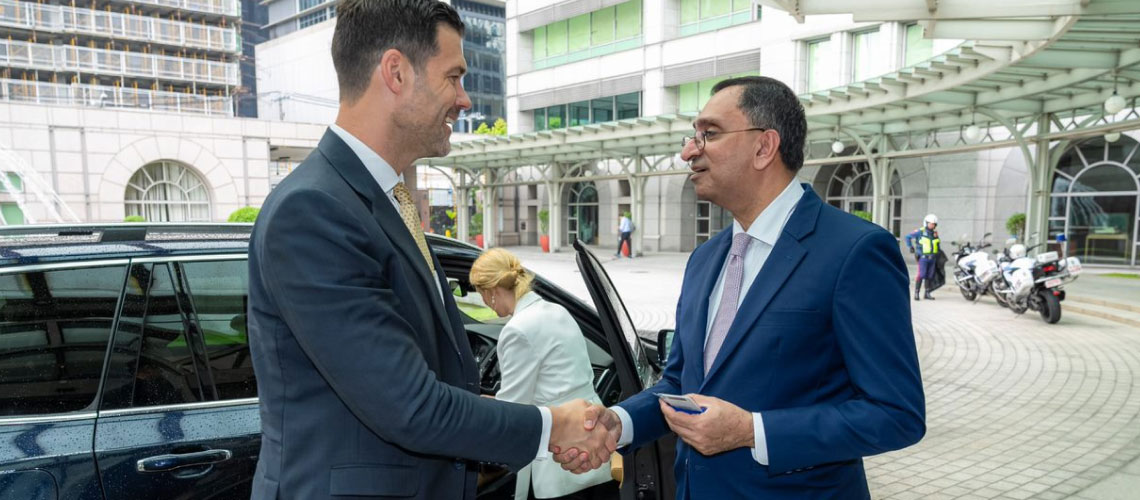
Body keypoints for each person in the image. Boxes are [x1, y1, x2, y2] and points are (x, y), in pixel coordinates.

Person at [246, 2, 613, 499]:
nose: (464, 100)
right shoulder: (314, 211)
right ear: (396, 72)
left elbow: (429, 372)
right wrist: (552, 427)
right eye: (454, 77)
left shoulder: (380, 200)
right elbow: (409, 406)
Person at [556, 76, 925, 499]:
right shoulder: (705, 258)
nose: (688, 151)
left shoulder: (855, 251)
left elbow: (896, 415)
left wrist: (752, 432)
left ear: (764, 147)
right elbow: (680, 383)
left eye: (708, 134)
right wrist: (619, 422)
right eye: (692, 136)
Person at [469, 248, 614, 500]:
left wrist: (474, 406)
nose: (483, 302)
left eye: (481, 294)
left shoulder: (518, 330)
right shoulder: (556, 311)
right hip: (595, 445)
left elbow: (513, 411)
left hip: (558, 462)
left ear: (491, 291)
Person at [905, 214, 942, 300]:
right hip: (923, 257)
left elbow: (937, 244)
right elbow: (908, 237)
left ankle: (927, 293)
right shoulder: (920, 231)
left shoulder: (935, 233)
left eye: (933, 224)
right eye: (930, 223)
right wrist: (910, 246)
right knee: (921, 275)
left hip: (932, 258)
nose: (932, 225)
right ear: (926, 223)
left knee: (930, 275)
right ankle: (916, 293)